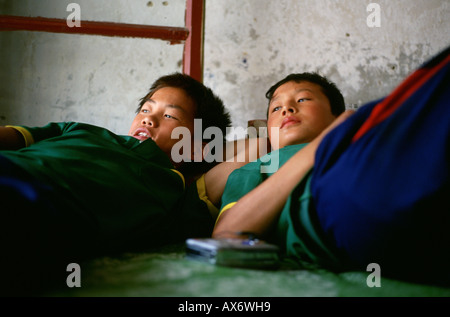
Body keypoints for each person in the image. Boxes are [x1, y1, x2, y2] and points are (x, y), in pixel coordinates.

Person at [0, 72, 266, 294]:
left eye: (170, 116)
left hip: (43, 204)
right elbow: (10, 136)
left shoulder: (179, 189)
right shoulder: (79, 129)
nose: (148, 118)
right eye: (145, 109)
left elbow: (258, 147)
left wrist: (206, 150)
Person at [213, 46, 450, 286]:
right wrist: (324, 142)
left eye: (303, 99)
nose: (287, 109)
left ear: (335, 116)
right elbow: (228, 231)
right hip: (333, 202)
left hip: (372, 150)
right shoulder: (258, 166)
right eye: (276, 108)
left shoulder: (354, 135)